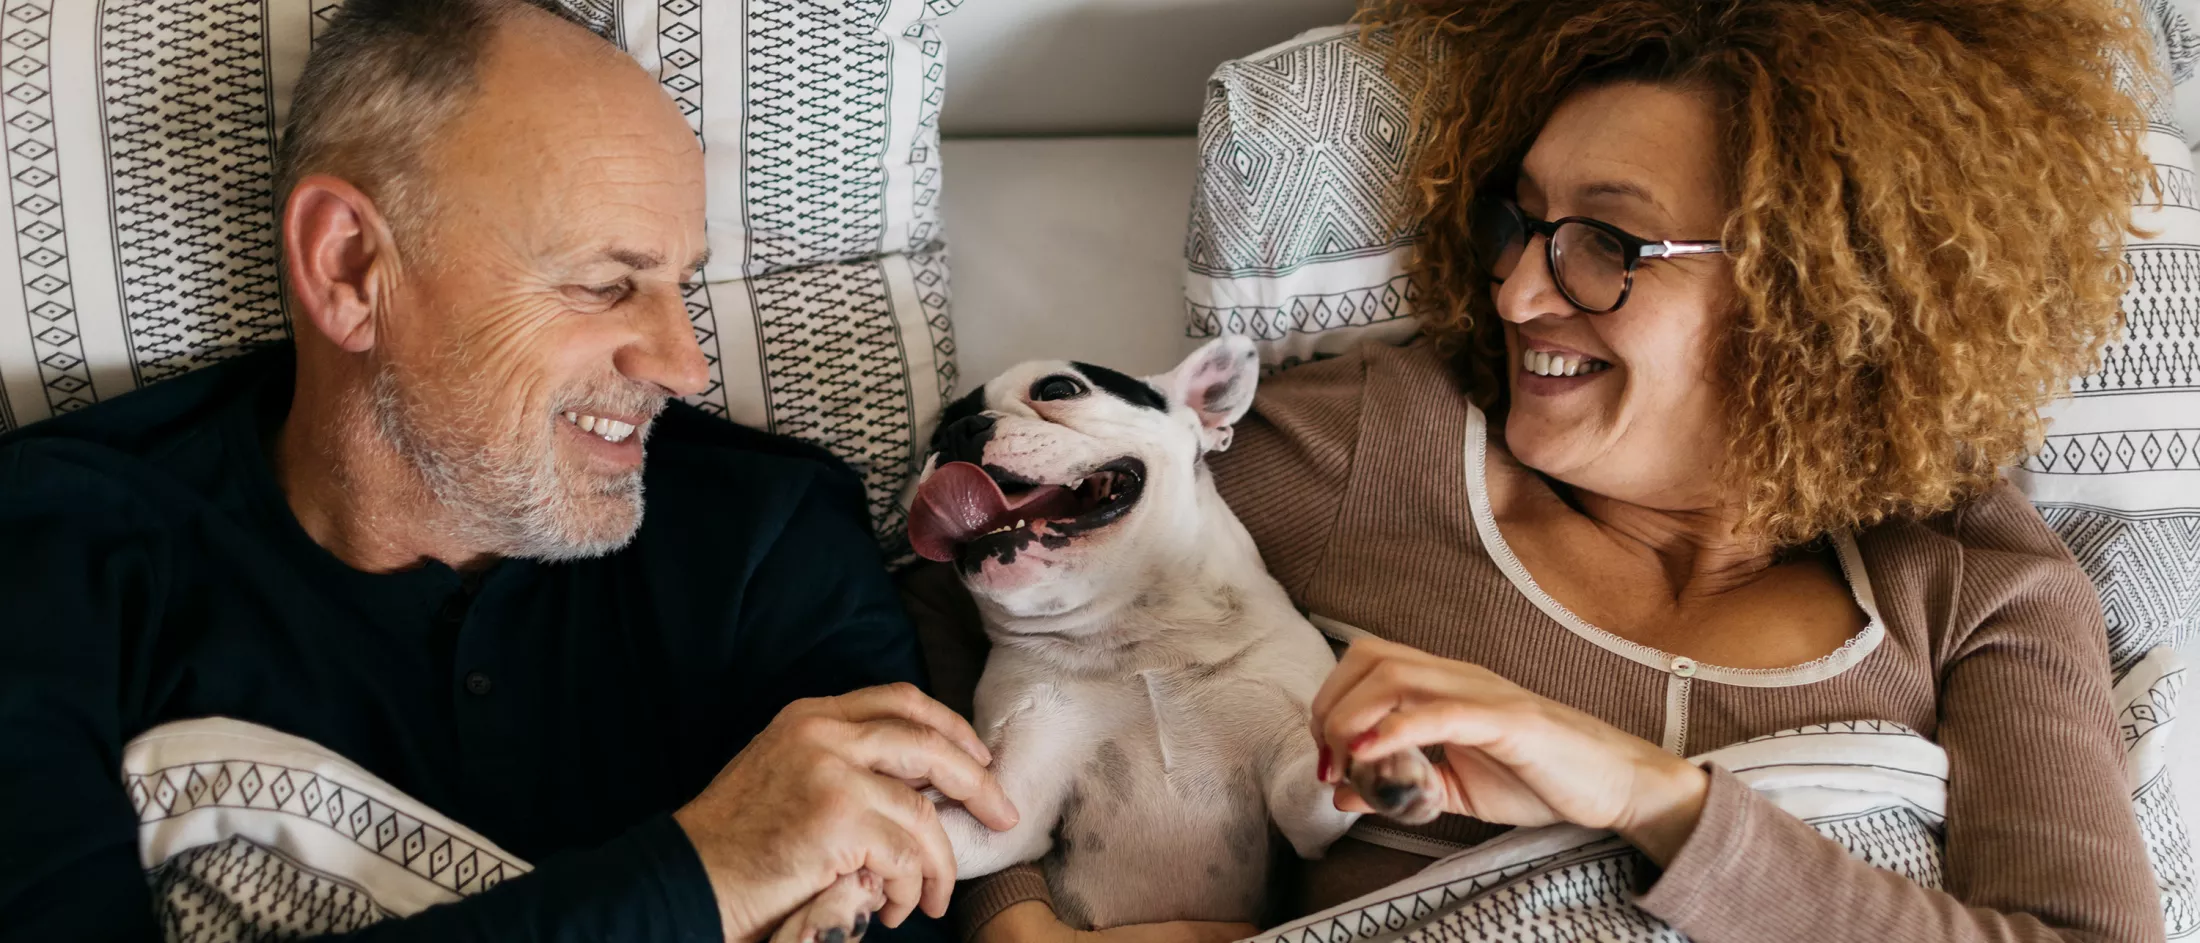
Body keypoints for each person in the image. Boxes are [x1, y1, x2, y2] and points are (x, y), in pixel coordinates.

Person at [953, 1, 2167, 941]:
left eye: (1605, 241)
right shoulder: (1373, 451)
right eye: (1519, 222)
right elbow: (945, 595)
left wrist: (1647, 795)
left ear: (1819, 289)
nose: (1516, 291)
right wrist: (1015, 917)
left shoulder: (1968, 579)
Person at [0, 1, 1015, 941]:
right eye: (605, 283)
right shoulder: (55, 549)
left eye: (678, 283)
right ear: (350, 266)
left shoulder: (771, 537)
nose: (684, 363)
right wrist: (710, 869)